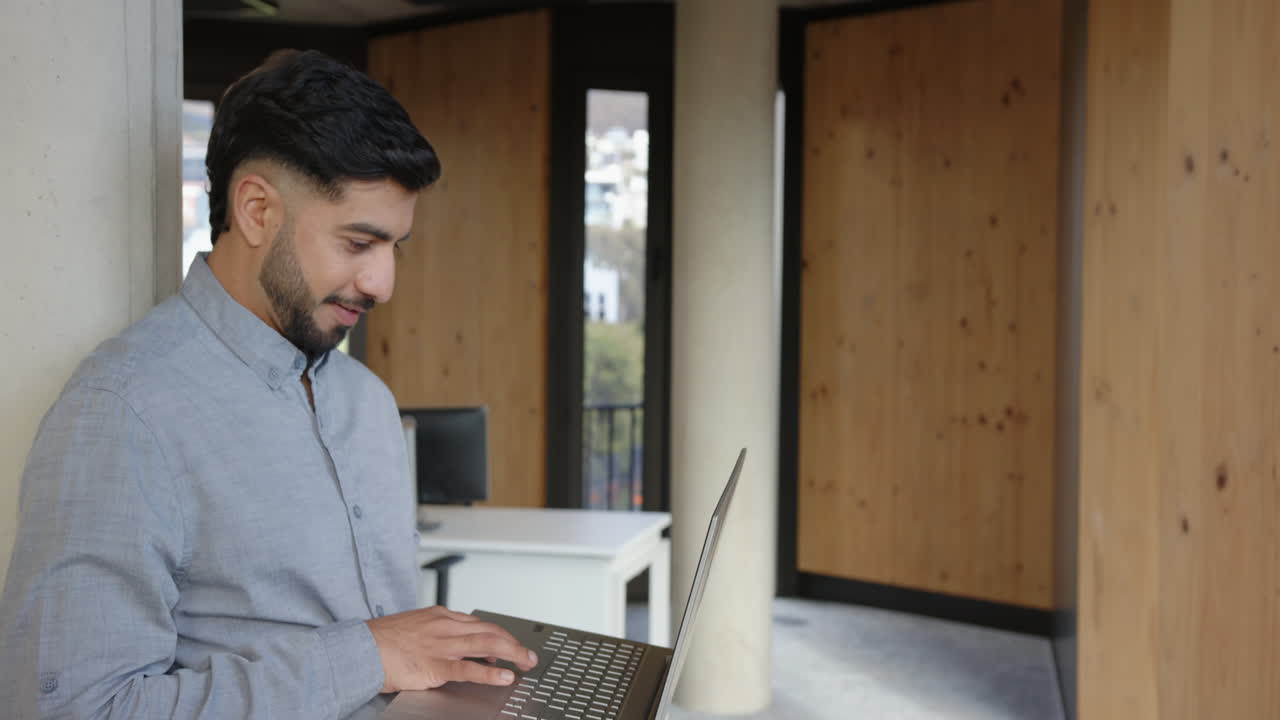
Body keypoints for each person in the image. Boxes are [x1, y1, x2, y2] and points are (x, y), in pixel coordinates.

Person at [0, 49, 536, 719]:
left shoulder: (367, 402)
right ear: (257, 210)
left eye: (394, 247)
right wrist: (366, 656)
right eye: (358, 243)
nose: (383, 284)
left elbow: (398, 655)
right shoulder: (122, 413)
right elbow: (68, 709)